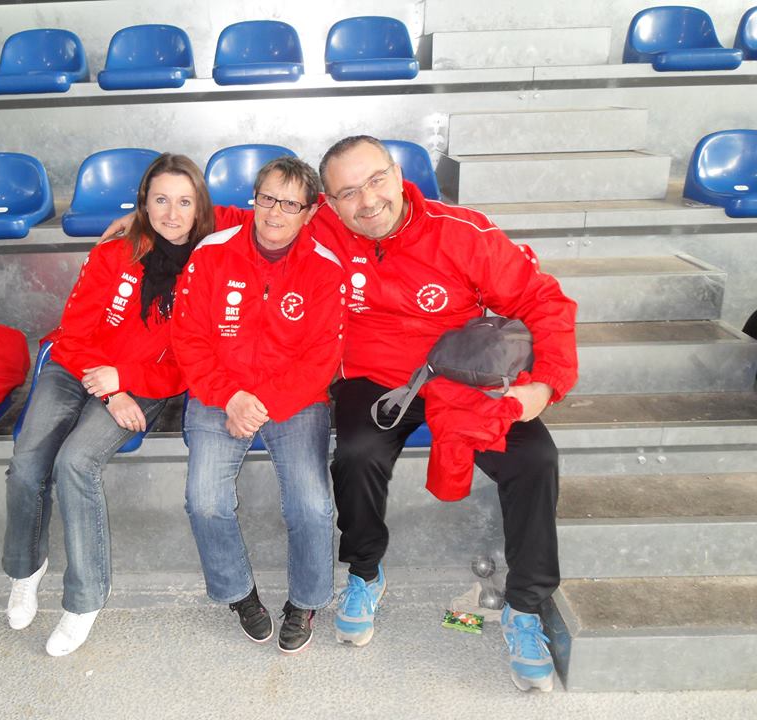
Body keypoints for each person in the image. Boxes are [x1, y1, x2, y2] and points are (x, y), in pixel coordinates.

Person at [315, 136, 578, 692]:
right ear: (330, 202)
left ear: (398, 173)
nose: (367, 201)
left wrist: (546, 386)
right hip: (375, 378)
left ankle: (525, 607)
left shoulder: (460, 232)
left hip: (461, 374)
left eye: (376, 180)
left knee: (536, 459)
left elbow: (543, 301)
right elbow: (259, 213)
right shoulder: (321, 229)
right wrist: (151, 222)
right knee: (356, 454)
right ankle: (364, 572)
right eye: (348, 192)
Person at [2, 153, 214, 657]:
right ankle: (26, 568)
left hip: (145, 381)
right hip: (78, 367)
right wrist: (109, 388)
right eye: (160, 199)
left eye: (184, 202)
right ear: (143, 203)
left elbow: (188, 364)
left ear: (199, 207)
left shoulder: (210, 266)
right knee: (28, 462)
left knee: (77, 461)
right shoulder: (116, 252)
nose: (172, 213)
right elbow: (74, 334)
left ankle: (84, 599)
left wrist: (127, 382)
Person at [171, 156, 346, 654]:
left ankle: (306, 600)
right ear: (254, 198)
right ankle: (238, 592)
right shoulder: (211, 254)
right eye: (267, 198)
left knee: (312, 505)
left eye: (290, 204)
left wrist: (262, 402)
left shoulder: (324, 268)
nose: (274, 213)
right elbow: (189, 338)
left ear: (310, 213)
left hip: (294, 400)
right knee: (205, 500)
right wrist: (230, 395)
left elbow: (321, 360)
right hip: (216, 394)